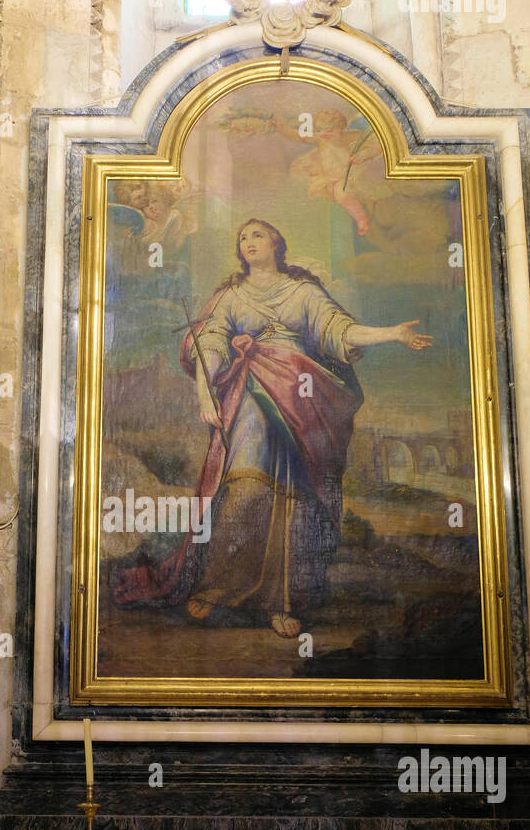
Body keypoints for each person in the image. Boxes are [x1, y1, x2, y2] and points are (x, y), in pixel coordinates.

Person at [113, 218, 431, 637]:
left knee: (295, 496)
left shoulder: (304, 293)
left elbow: (338, 330)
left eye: (256, 234)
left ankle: (280, 602)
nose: (247, 241)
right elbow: (210, 345)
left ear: (277, 243)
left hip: (300, 400)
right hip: (250, 392)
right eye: (241, 236)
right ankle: (219, 586)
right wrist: (206, 397)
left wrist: (391, 333)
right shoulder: (231, 296)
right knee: (246, 484)